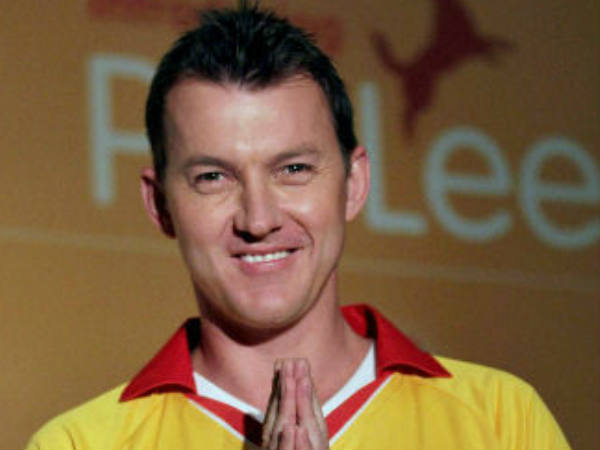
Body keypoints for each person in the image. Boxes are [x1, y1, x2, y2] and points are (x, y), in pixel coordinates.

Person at [26, 2, 570, 449]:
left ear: (354, 183)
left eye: (293, 170)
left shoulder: (502, 420)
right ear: (160, 204)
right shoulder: (77, 444)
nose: (259, 219)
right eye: (213, 177)